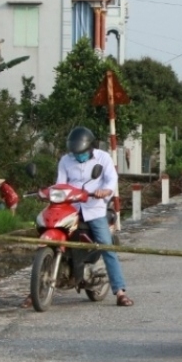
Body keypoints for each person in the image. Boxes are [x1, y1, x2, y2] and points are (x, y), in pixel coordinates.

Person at [57, 126, 132, 307]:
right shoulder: (65, 161)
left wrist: (104, 191)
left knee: (107, 248)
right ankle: (36, 288)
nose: (78, 156)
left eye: (81, 152)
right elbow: (60, 184)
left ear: (90, 148)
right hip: (71, 209)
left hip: (95, 209)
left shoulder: (103, 158)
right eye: (75, 153)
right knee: (50, 239)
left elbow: (111, 180)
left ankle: (120, 291)